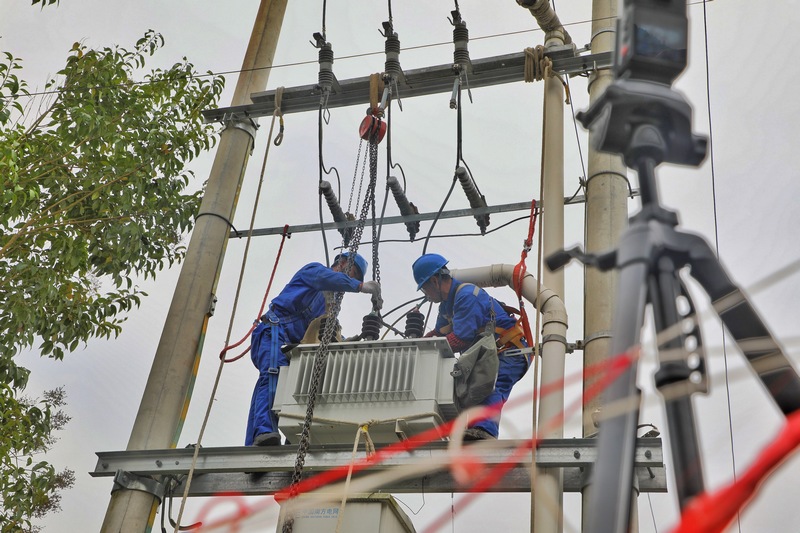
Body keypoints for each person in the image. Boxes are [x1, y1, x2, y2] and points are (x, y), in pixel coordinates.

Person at [246, 251, 382, 446]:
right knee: (272, 376)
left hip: (291, 346)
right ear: (342, 262)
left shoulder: (328, 305)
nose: (350, 279)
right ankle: (264, 432)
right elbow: (326, 279)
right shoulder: (314, 271)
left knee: (295, 387)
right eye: (352, 273)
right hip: (273, 331)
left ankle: (288, 436)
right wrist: (360, 287)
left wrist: (344, 340)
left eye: (355, 278)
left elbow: (320, 327)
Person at [411, 253, 528, 441]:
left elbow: (460, 339)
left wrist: (430, 350)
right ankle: (473, 432)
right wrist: (417, 346)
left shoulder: (466, 296)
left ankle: (484, 432)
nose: (426, 294)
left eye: (425, 288)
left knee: (491, 386)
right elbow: (439, 334)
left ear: (435, 281)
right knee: (472, 391)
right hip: (491, 353)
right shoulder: (446, 306)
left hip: (509, 351)